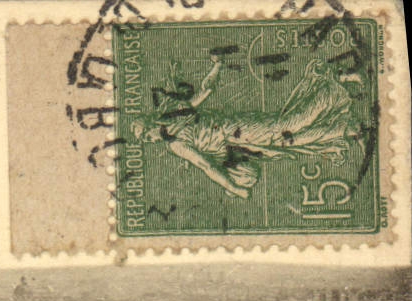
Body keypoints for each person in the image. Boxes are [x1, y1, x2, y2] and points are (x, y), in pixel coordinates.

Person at [136, 54, 362, 199]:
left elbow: (205, 164)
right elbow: (208, 163)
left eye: (147, 136)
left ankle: (333, 82)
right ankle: (345, 128)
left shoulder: (176, 127)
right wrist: (233, 186)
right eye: (147, 141)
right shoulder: (174, 142)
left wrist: (217, 67)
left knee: (286, 126)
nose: (152, 141)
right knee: (288, 143)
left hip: (237, 129)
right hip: (236, 148)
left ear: (151, 124)